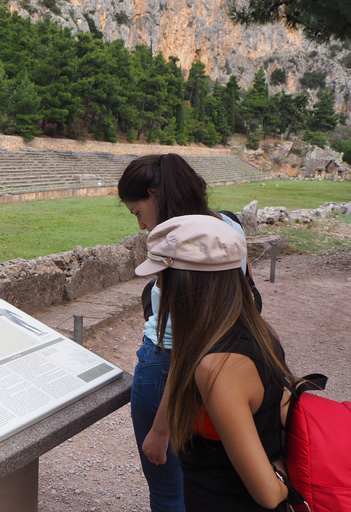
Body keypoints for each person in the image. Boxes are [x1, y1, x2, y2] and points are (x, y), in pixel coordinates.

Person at [134, 215, 293, 510]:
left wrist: (283, 467)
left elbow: (269, 493)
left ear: (186, 283)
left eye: (161, 278)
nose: (159, 289)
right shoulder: (251, 332)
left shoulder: (218, 367)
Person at [118, 153, 248, 511]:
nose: (142, 225)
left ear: (155, 193)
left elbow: (186, 344)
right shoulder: (227, 227)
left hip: (166, 370)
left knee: (168, 490)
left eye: (137, 212)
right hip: (222, 365)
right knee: (207, 480)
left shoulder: (177, 252)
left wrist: (160, 430)